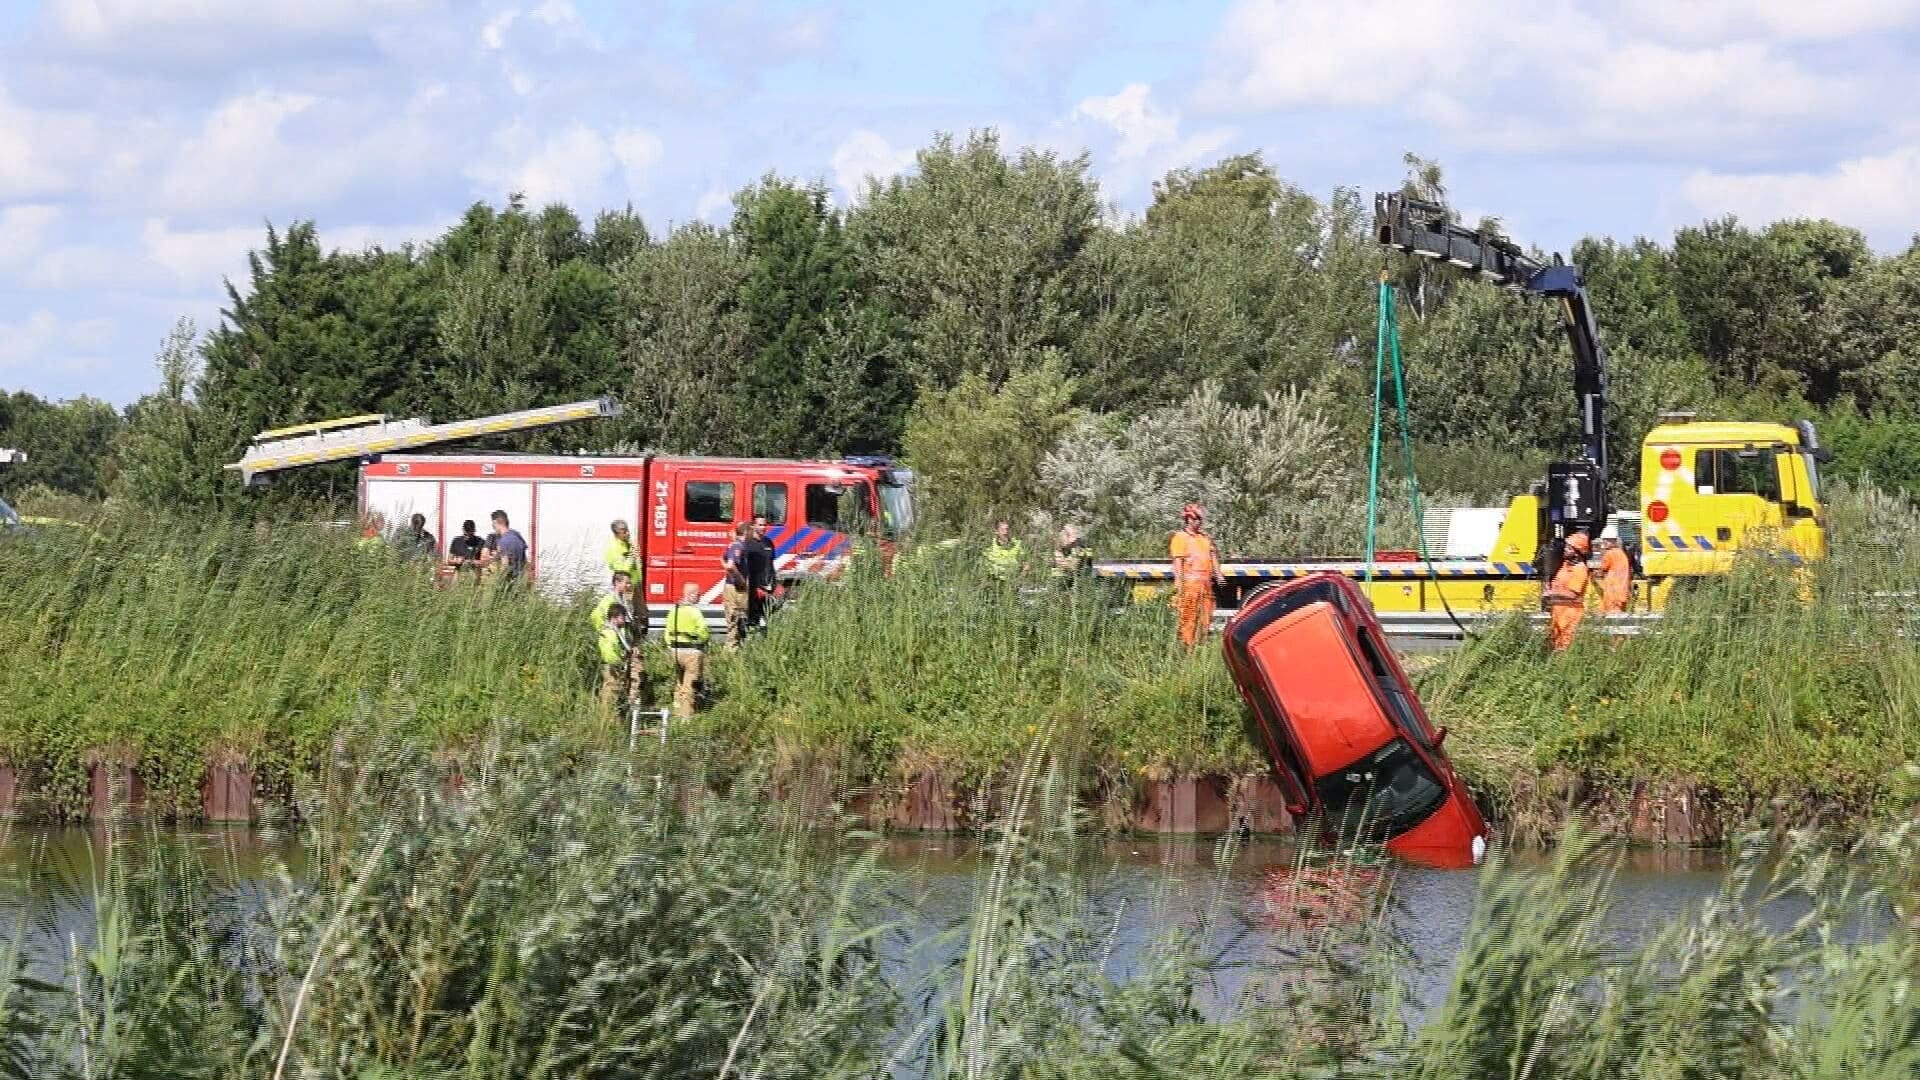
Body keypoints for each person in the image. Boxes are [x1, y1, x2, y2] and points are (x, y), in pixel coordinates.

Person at [1170, 503, 1220, 648]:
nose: (1198, 522)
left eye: (1200, 519)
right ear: (1188, 519)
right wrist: (1179, 586)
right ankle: (1188, 650)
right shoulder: (1180, 538)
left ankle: (1200, 646)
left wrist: (1218, 574)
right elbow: (1178, 563)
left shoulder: (1204, 538)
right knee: (1188, 619)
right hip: (1190, 587)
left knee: (1205, 619)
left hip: (1205, 586)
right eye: (1196, 519)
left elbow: (1212, 555)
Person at [664, 582, 711, 718]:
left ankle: (676, 709)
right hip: (692, 652)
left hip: (675, 652)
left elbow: (667, 632)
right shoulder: (694, 611)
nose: (700, 597)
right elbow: (703, 632)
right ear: (690, 595)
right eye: (698, 594)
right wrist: (702, 642)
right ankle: (686, 716)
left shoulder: (674, 610)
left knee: (679, 681)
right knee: (690, 683)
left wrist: (671, 647)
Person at [1545, 532, 1593, 652]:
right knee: (1555, 649)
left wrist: (1551, 596)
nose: (1565, 549)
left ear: (1577, 551)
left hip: (1570, 617)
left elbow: (1572, 595)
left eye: (1569, 547)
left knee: (1565, 650)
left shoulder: (1580, 569)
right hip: (1558, 615)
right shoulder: (1565, 565)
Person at [597, 603, 633, 716]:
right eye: (622, 617)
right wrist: (617, 662)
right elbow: (608, 652)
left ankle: (614, 720)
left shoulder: (615, 631)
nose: (624, 621)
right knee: (610, 695)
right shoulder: (609, 633)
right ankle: (608, 720)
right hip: (612, 668)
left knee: (616, 694)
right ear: (614, 618)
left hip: (616, 667)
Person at [721, 522, 752, 649]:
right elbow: (730, 565)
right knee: (736, 619)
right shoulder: (737, 546)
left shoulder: (735, 545)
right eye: (751, 531)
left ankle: (734, 648)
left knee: (737, 619)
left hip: (733, 587)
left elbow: (723, 560)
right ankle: (731, 651)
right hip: (735, 588)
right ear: (746, 532)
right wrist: (741, 580)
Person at [745, 515, 776, 634]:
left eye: (764, 525)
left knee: (766, 616)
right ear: (753, 526)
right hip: (752, 587)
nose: (763, 527)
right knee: (751, 617)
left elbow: (771, 564)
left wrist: (774, 582)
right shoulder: (748, 544)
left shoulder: (768, 542)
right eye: (760, 525)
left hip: (767, 586)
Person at [489, 510, 529, 581]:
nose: (492, 526)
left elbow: (505, 566)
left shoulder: (503, 541)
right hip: (521, 581)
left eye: (492, 523)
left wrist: (496, 581)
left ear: (495, 522)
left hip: (510, 583)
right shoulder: (517, 535)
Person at [605, 519, 641, 597]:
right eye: (624, 531)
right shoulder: (613, 548)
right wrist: (632, 556)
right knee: (628, 608)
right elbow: (621, 570)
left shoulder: (628, 544)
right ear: (616, 533)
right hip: (625, 586)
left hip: (635, 584)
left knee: (639, 609)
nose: (627, 533)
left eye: (627, 530)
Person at [1598, 536, 1632, 615]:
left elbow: (1602, 570)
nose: (1604, 543)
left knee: (1611, 616)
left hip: (1612, 591)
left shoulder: (1609, 553)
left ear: (1614, 542)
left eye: (1607, 541)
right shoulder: (1621, 553)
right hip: (1622, 590)